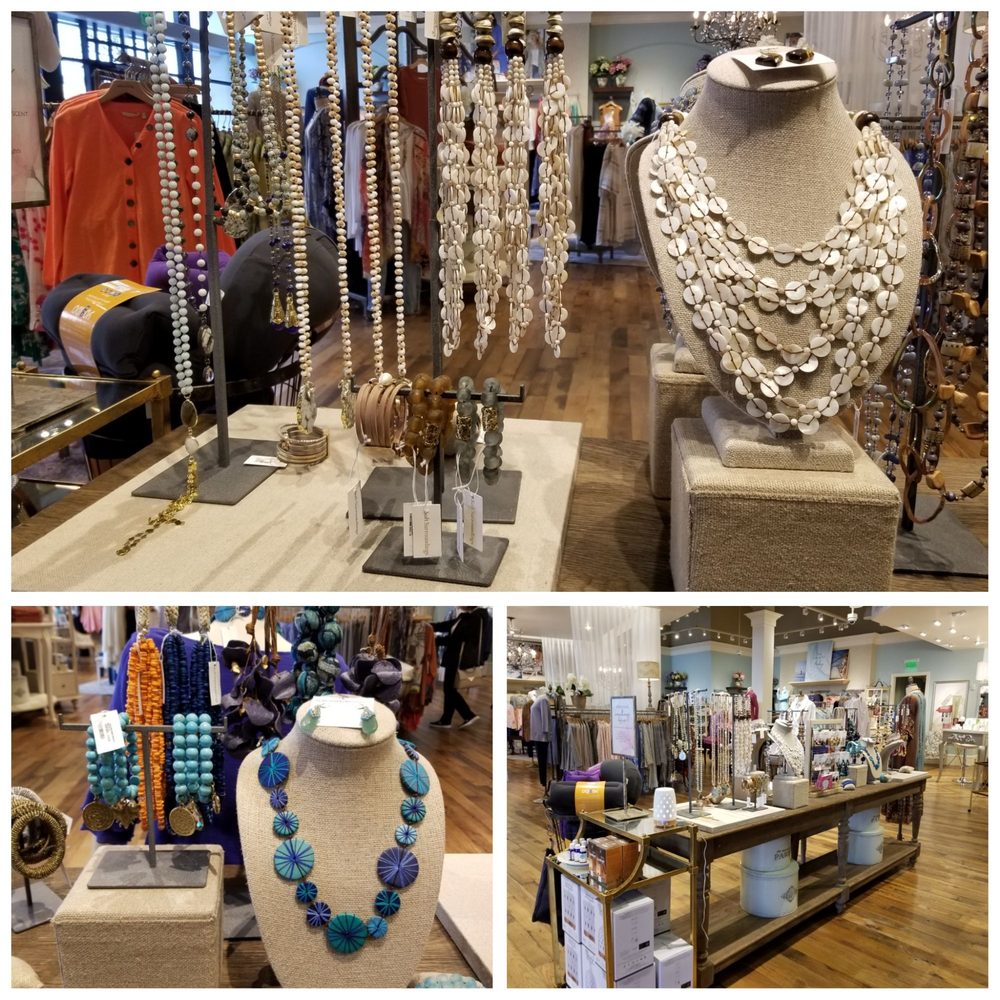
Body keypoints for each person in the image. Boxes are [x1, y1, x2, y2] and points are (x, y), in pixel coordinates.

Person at [429, 607, 491, 729]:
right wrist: (429, 626)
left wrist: (436, 640)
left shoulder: (476, 617)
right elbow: (448, 625)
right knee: (450, 688)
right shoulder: (467, 616)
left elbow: (458, 638)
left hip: (458, 659)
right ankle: (447, 719)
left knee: (450, 689)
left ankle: (468, 715)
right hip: (455, 658)